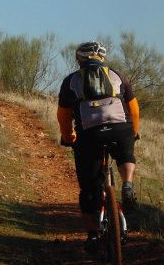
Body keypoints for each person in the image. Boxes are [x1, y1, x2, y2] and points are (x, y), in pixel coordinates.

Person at [57, 41, 140, 254]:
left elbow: (63, 115)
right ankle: (128, 184)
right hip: (120, 129)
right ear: (102, 58)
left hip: (89, 135)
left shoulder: (71, 81)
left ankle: (93, 234)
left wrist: (68, 137)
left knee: (88, 189)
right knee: (125, 156)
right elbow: (134, 109)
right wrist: (133, 132)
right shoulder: (117, 76)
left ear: (79, 59)